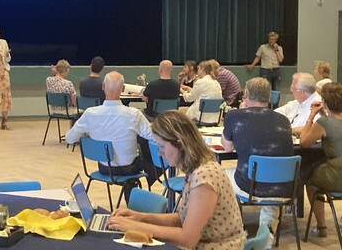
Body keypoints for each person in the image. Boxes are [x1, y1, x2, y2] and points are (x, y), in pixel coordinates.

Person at [107, 111, 245, 249]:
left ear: (180, 144)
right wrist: (140, 217)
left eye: (162, 146)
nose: (160, 153)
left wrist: (136, 226)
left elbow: (187, 239)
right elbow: (181, 218)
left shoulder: (205, 178)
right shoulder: (197, 169)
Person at [221, 77, 293, 236]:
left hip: (250, 185)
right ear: (269, 96)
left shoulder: (235, 117)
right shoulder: (284, 120)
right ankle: (266, 231)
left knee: (220, 175)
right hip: (285, 186)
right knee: (271, 175)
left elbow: (227, 147)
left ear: (246, 94)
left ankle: (233, 228)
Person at [66, 71, 153, 176]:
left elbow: (69, 138)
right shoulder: (134, 114)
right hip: (130, 168)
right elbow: (152, 135)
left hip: (105, 168)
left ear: (103, 86)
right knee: (144, 144)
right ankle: (150, 182)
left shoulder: (90, 113)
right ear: (123, 89)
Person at [299, 82, 342, 238]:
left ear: (324, 102)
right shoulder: (328, 121)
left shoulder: (323, 123)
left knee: (310, 179)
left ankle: (322, 227)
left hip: (336, 177)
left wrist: (311, 117)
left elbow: (304, 142)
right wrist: (325, 114)